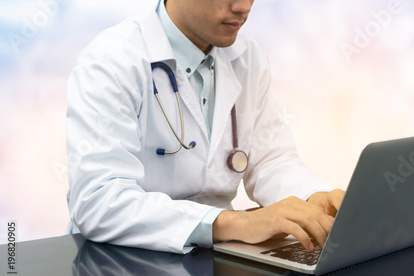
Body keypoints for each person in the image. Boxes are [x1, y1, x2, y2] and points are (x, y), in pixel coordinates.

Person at [66, 0, 344, 254]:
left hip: (216, 258)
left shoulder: (248, 58)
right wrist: (238, 223)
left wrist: (312, 198)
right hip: (121, 265)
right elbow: (99, 201)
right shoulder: (112, 60)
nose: (243, 7)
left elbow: (270, 160)